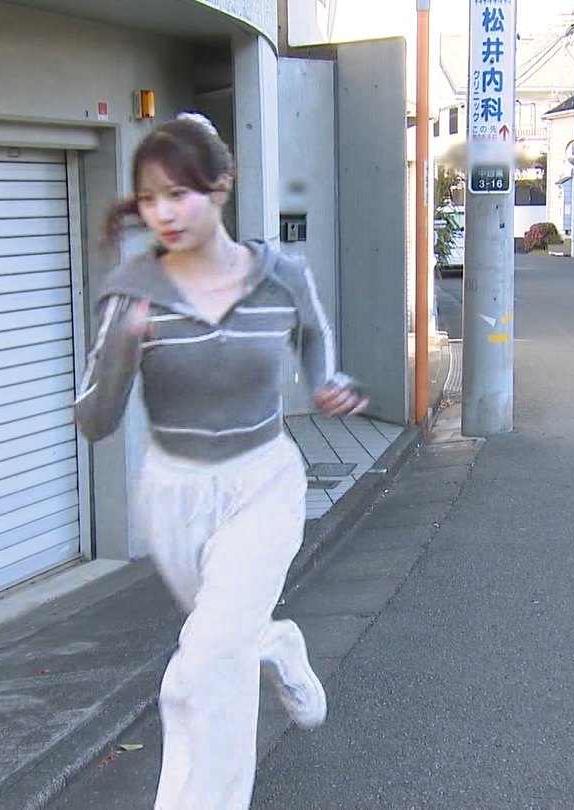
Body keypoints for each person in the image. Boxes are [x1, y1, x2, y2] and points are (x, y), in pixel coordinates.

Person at [72, 112, 368, 810]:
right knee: (226, 637)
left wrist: (325, 382)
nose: (163, 213)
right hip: (173, 495)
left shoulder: (279, 275)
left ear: (221, 187)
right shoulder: (134, 292)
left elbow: (313, 335)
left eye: (179, 194)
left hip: (262, 482)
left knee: (201, 670)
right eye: (150, 199)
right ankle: (277, 643)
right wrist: (123, 347)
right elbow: (94, 419)